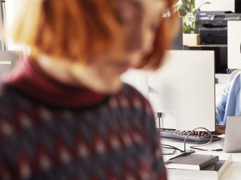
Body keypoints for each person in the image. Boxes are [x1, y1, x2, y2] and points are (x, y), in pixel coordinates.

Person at [0, 0, 178, 179]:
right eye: (123, 17)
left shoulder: (135, 107)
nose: (143, 45)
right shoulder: (6, 124)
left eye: (153, 24)